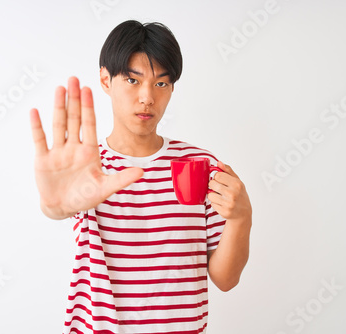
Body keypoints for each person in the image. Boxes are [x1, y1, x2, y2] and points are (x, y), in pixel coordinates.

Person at [29, 20, 252, 334]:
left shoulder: (199, 165)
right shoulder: (87, 165)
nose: (147, 96)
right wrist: (54, 206)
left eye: (161, 83)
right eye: (132, 80)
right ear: (106, 80)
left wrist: (242, 218)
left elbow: (225, 279)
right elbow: (59, 206)